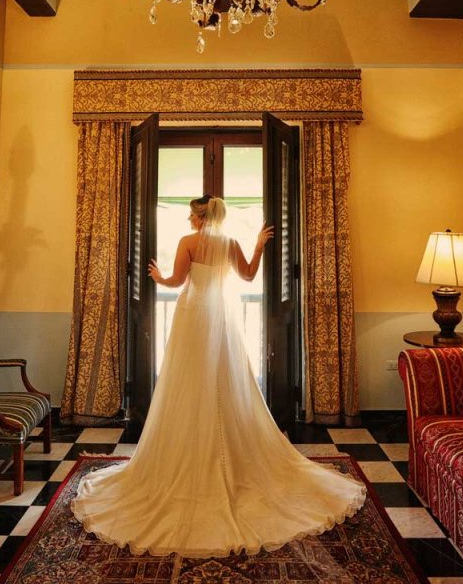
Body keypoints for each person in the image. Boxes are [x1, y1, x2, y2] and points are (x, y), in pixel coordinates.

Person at [71, 195, 365, 557]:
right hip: (222, 324)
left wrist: (157, 276)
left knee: (187, 384)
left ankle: (189, 455)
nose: (190, 219)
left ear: (198, 217)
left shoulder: (188, 242)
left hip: (194, 319)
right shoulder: (230, 243)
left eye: (191, 215)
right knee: (225, 384)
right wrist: (258, 246)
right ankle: (228, 452)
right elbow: (248, 274)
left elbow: (178, 280)